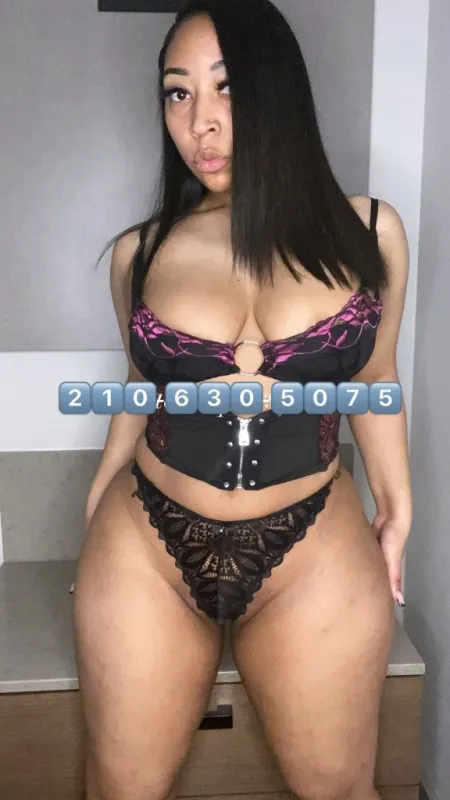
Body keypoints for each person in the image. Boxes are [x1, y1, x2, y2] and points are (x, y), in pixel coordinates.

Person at [73, 1, 412, 799]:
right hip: (147, 541)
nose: (201, 123)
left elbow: (375, 379)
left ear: (277, 90)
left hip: (311, 544)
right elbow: (141, 385)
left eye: (227, 88)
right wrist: (95, 502)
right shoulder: (140, 252)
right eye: (178, 92)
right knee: (122, 791)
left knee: (338, 788)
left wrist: (399, 506)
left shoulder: (369, 231)